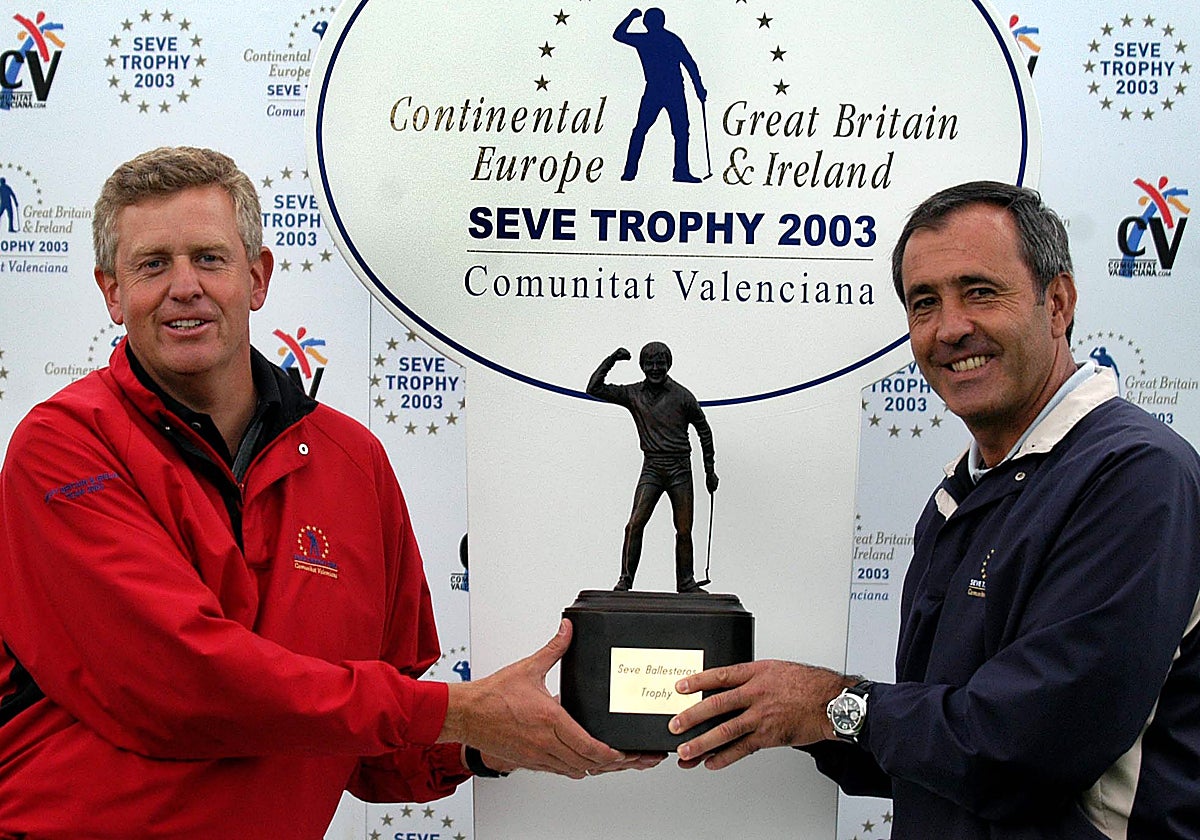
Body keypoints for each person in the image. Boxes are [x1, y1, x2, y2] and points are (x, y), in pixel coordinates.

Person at [0, 147, 657, 839]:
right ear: (111, 292)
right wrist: (456, 710)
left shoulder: (355, 460)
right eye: (152, 264)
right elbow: (186, 689)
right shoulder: (64, 446)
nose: (184, 285)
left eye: (210, 259)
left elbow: (369, 751)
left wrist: (492, 740)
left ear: (257, 278)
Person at [664, 181, 1200, 838]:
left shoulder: (1135, 475)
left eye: (980, 291)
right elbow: (938, 745)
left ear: (1056, 303)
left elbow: (1024, 749)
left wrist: (831, 705)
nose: (949, 328)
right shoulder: (965, 493)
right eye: (925, 303)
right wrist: (782, 710)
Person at [588, 342, 718, 593]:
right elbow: (593, 388)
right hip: (652, 468)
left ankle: (686, 581)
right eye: (649, 364)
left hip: (680, 468)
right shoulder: (633, 394)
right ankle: (625, 579)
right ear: (642, 366)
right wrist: (612, 358)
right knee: (635, 524)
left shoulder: (683, 396)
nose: (655, 368)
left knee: (683, 529)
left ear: (669, 364)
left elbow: (704, 430)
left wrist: (709, 471)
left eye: (660, 363)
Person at [614, 7, 707, 183]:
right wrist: (698, 88)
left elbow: (619, 34)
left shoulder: (646, 39)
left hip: (664, 90)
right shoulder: (668, 39)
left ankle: (632, 172)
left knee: (656, 130)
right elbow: (690, 64)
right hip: (666, 90)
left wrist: (631, 17)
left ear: (646, 22)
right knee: (669, 131)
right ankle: (635, 172)